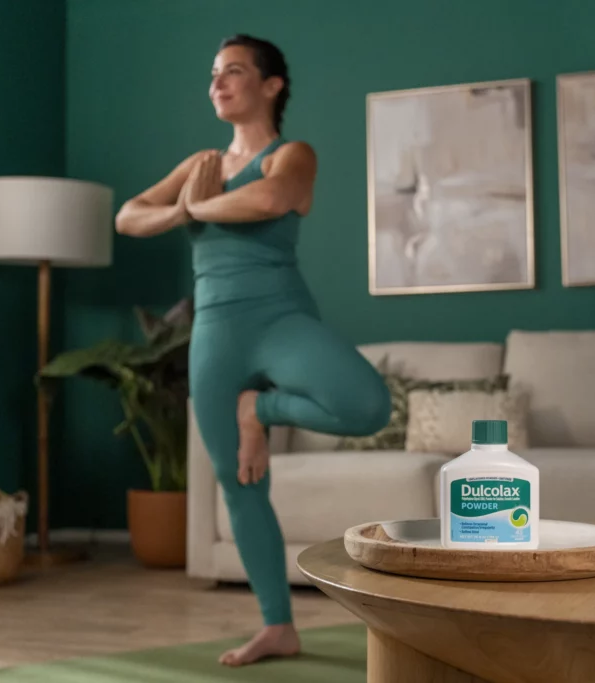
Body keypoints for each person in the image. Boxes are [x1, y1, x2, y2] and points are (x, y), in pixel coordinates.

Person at [114, 34, 392, 667]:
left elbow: (272, 199)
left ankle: (257, 411)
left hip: (279, 318)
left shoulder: (289, 154)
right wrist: (186, 208)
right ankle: (278, 626)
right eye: (214, 73)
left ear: (272, 85)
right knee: (240, 485)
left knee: (367, 406)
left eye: (234, 71)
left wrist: (197, 206)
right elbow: (128, 216)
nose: (218, 82)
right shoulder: (200, 164)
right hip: (215, 333)